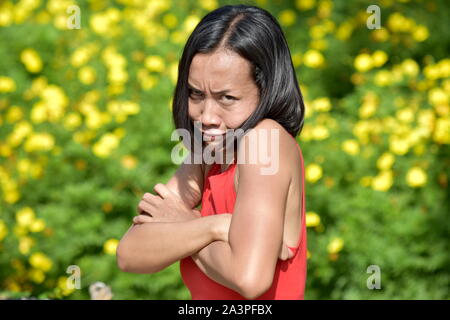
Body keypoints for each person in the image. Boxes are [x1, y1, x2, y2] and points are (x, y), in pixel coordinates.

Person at [117, 4, 307, 300]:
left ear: (265, 89)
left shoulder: (264, 140)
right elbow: (131, 253)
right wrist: (216, 227)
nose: (206, 116)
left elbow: (250, 278)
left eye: (227, 98)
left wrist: (186, 223)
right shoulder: (207, 156)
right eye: (195, 94)